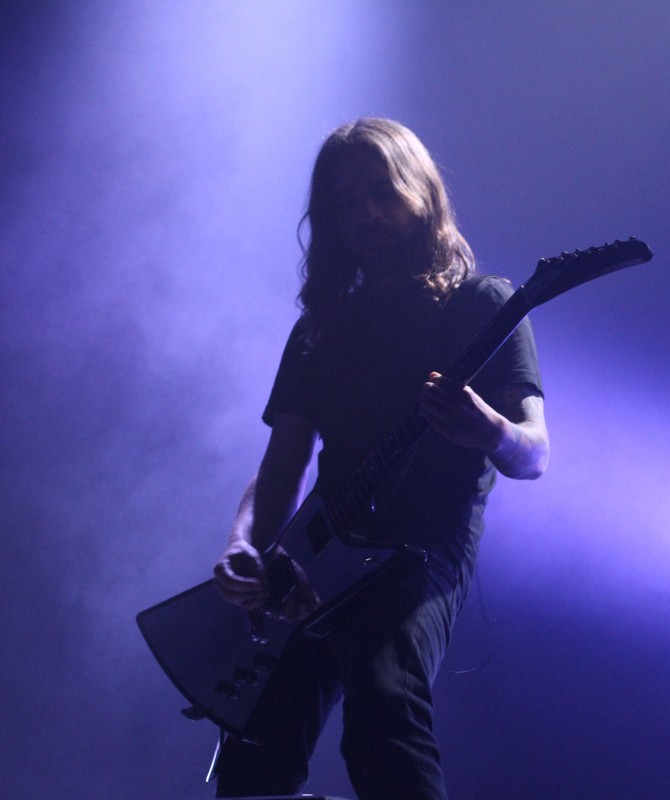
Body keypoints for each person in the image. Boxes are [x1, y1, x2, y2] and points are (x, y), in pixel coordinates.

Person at [209, 118, 549, 799]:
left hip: (421, 554)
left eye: (382, 191)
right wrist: (245, 543)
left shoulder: (483, 304)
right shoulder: (319, 331)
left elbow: (534, 452)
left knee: (383, 708)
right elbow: (281, 467)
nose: (366, 212)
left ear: (421, 190)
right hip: (315, 559)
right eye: (347, 202)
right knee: (254, 744)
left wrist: (488, 430)